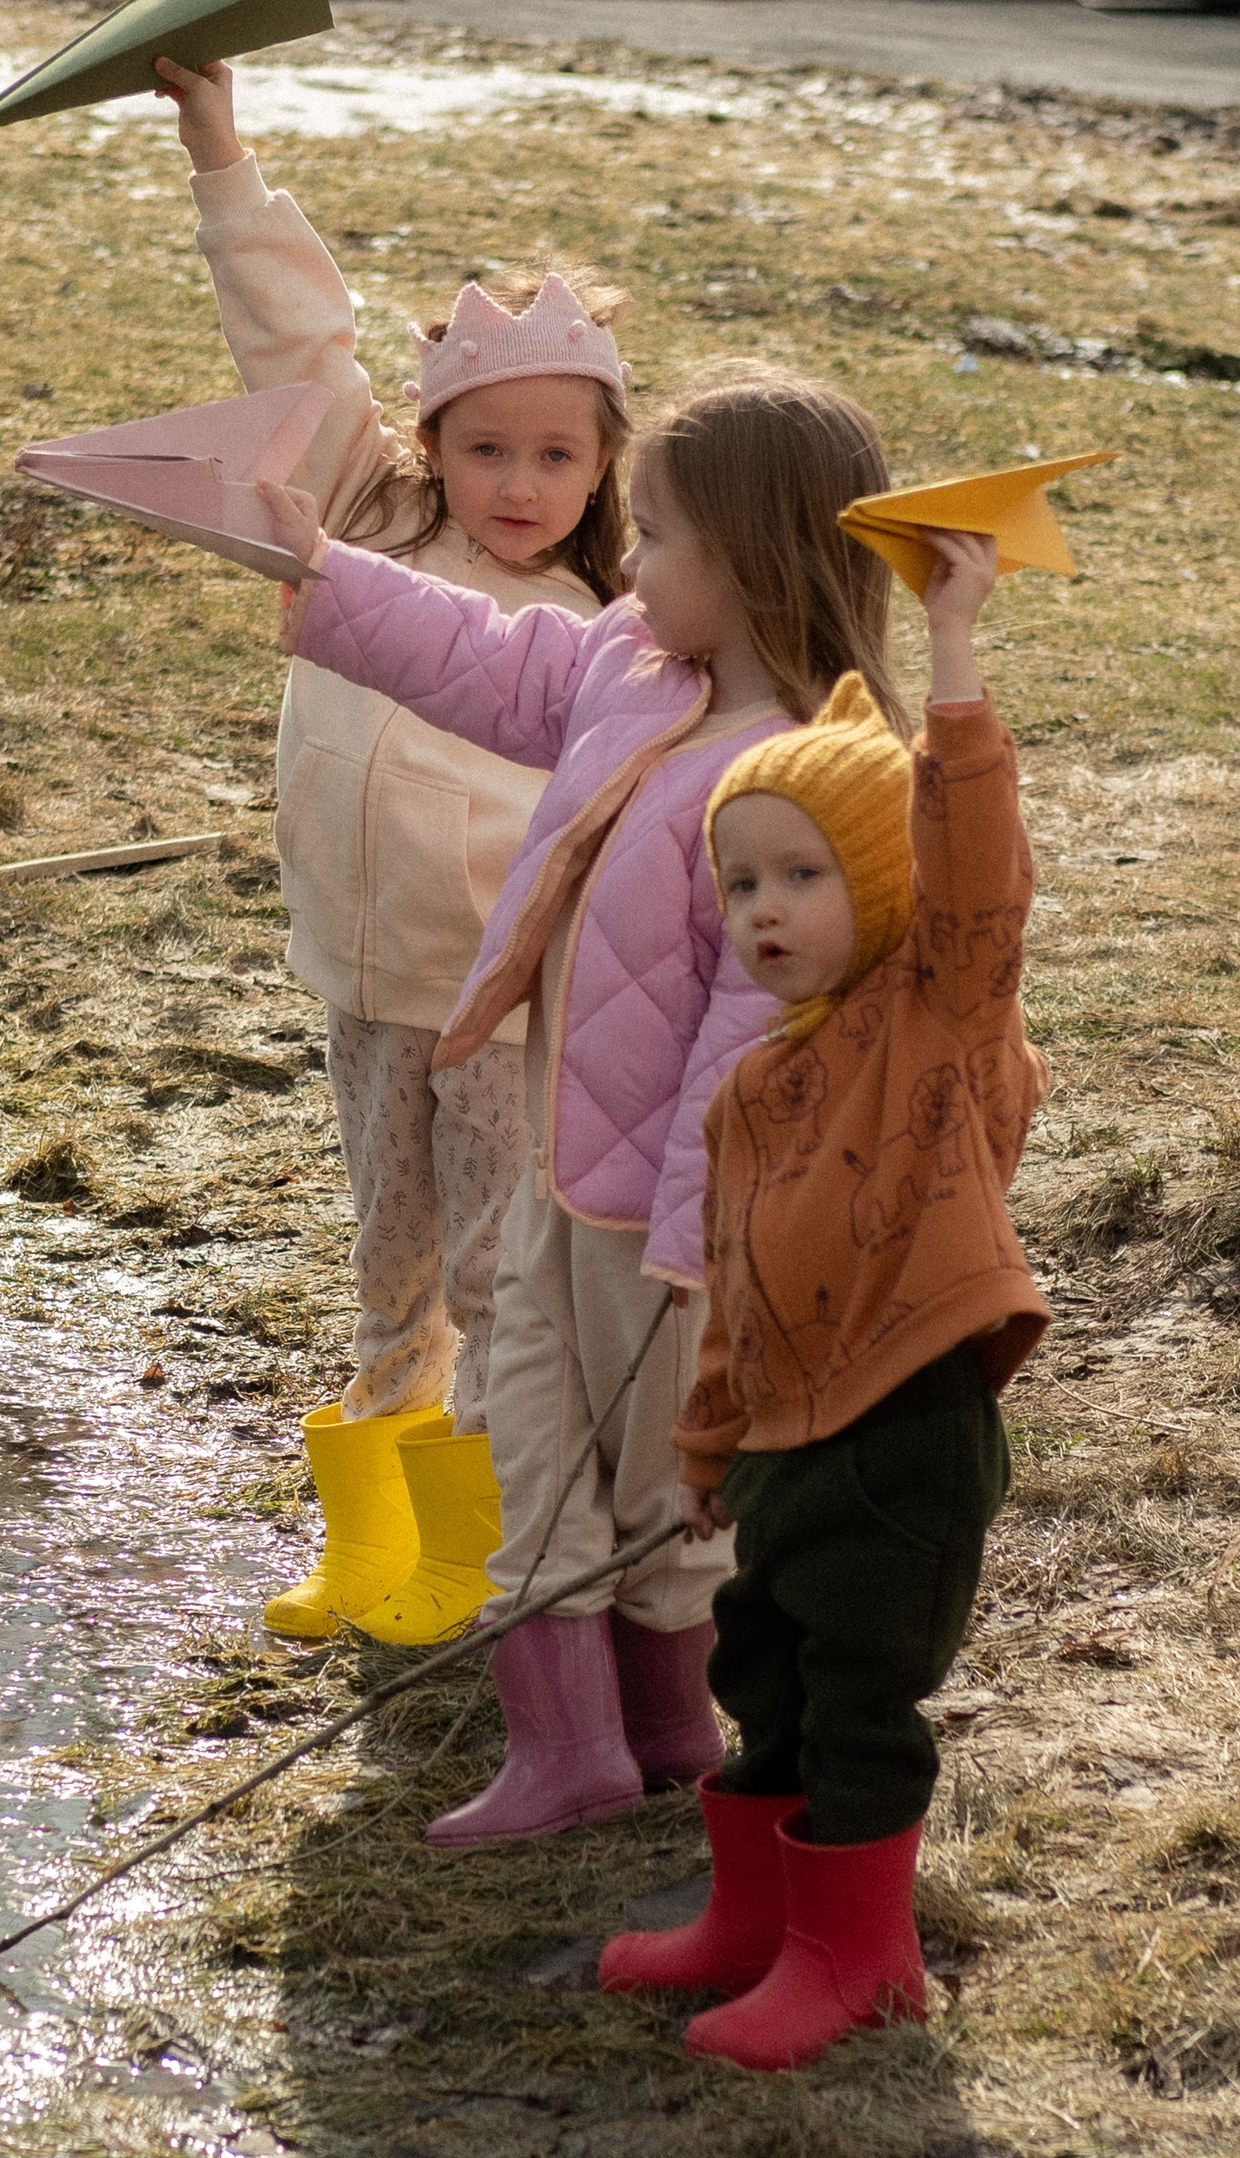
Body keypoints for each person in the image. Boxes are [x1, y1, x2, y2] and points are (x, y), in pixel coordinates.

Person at [258, 367, 905, 1844]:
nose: (623, 560)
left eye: (658, 536)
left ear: (749, 564)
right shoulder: (634, 667)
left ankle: (651, 1733)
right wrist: (317, 570)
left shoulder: (793, 783)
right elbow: (494, 659)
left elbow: (753, 1052)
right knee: (536, 1438)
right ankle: (580, 1745)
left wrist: (694, 1249)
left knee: (651, 1480)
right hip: (563, 1169)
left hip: (670, 1225)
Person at [157, 56, 631, 1649]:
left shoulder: (604, 633)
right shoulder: (364, 520)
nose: (518, 487)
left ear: (603, 469)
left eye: (556, 458)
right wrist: (216, 143)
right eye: (487, 450)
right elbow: (292, 336)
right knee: (389, 1262)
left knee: (499, 1284)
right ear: (433, 443)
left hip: (498, 1008)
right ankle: (367, 1537)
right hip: (362, 981)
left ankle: (474, 1553)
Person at [595, 525, 1050, 2071]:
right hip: (790, 1438)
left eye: (804, 876)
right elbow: (733, 1279)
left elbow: (976, 872)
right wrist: (713, 1442)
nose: (765, 907)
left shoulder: (944, 1017)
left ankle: (860, 1962)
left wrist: (957, 657)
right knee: (764, 1668)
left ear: (884, 887)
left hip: (904, 1429)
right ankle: (758, 1924)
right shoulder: (754, 1090)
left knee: (861, 1695)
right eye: (742, 881)